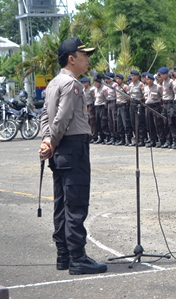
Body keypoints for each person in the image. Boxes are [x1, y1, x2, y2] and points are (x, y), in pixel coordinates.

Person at [38, 37, 107, 275]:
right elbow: (63, 118)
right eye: (84, 55)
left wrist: (47, 142)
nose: (87, 59)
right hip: (73, 147)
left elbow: (46, 118)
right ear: (71, 58)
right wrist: (53, 142)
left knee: (61, 203)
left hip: (60, 149)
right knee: (76, 203)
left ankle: (64, 255)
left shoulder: (53, 83)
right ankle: (78, 257)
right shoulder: (72, 85)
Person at [114, 73, 132, 146]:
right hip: (118, 105)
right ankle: (122, 139)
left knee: (126, 123)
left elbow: (128, 98)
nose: (117, 80)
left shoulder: (125, 87)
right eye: (116, 79)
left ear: (122, 80)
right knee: (119, 124)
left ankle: (129, 139)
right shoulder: (116, 87)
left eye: (119, 79)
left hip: (124, 106)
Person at [80, 78, 97, 143]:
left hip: (91, 106)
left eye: (85, 83)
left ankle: (94, 136)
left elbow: (94, 98)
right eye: (82, 83)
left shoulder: (91, 89)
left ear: (88, 82)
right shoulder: (83, 90)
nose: (83, 84)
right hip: (85, 106)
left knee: (92, 121)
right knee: (87, 121)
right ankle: (89, 135)